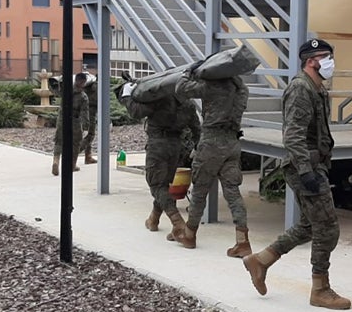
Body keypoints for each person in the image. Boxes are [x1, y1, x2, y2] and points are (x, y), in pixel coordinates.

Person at [242, 38, 351, 310]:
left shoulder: (317, 89)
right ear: (310, 60)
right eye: (325, 57)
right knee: (327, 229)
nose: (330, 63)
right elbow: (293, 136)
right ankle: (320, 289)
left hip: (315, 166)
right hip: (305, 168)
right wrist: (306, 172)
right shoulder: (301, 89)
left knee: (309, 225)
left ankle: (261, 260)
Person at [174, 63, 251, 257]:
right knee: (233, 192)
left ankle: (189, 235)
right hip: (232, 143)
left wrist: (188, 72)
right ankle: (242, 242)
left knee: (200, 190)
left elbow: (181, 89)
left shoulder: (211, 87)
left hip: (211, 143)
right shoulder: (241, 89)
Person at [115, 78, 201, 245]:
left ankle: (179, 225)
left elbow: (136, 112)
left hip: (158, 145)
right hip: (176, 146)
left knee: (156, 185)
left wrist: (126, 96)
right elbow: (197, 129)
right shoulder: (189, 105)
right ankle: (153, 219)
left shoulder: (161, 100)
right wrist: (196, 148)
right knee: (165, 185)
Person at [51, 73, 90, 176]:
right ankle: (72, 165)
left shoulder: (66, 89)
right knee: (76, 142)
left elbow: (54, 89)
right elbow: (85, 112)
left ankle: (56, 161)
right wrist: (86, 126)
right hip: (75, 120)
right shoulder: (83, 96)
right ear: (83, 82)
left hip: (62, 117)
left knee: (59, 140)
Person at [79, 73, 99, 165]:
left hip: (81, 112)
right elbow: (98, 101)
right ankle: (73, 154)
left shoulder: (86, 85)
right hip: (90, 113)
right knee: (90, 135)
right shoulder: (96, 87)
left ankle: (88, 157)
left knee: (87, 134)